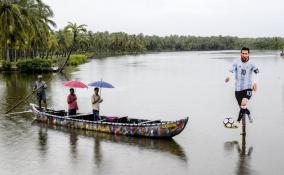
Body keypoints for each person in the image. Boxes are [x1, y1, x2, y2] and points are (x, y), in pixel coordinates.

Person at [225, 47, 259, 124]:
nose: (244, 55)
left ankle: (238, 121)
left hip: (248, 87)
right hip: (238, 88)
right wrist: (229, 77)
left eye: (246, 54)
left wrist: (255, 83)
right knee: (242, 107)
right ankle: (249, 114)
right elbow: (231, 71)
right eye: (243, 53)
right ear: (240, 54)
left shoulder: (252, 63)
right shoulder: (236, 61)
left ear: (248, 54)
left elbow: (257, 73)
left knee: (244, 103)